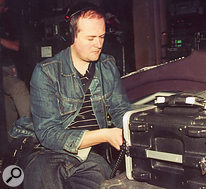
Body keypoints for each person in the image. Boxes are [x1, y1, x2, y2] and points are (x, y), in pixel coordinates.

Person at [20, 2, 131, 188]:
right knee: (44, 176)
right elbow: (48, 134)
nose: (99, 44)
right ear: (71, 36)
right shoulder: (46, 72)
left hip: (90, 155)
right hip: (49, 153)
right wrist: (105, 134)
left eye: (102, 36)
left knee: (102, 181)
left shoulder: (108, 65)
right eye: (91, 38)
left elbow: (121, 110)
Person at [0, 0, 31, 137]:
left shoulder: (8, 23)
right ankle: (30, 132)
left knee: (9, 104)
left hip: (7, 70)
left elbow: (17, 46)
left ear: (5, 9)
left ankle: (14, 145)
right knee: (18, 88)